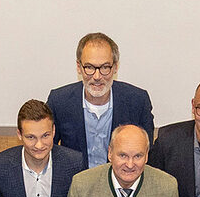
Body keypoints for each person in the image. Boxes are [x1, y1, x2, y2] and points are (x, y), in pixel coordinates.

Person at [45, 32, 155, 168]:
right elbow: (48, 151)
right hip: (73, 179)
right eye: (89, 67)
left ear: (115, 67)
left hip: (121, 178)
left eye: (105, 68)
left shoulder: (137, 102)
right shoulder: (59, 102)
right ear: (79, 67)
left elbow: (146, 153)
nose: (97, 76)